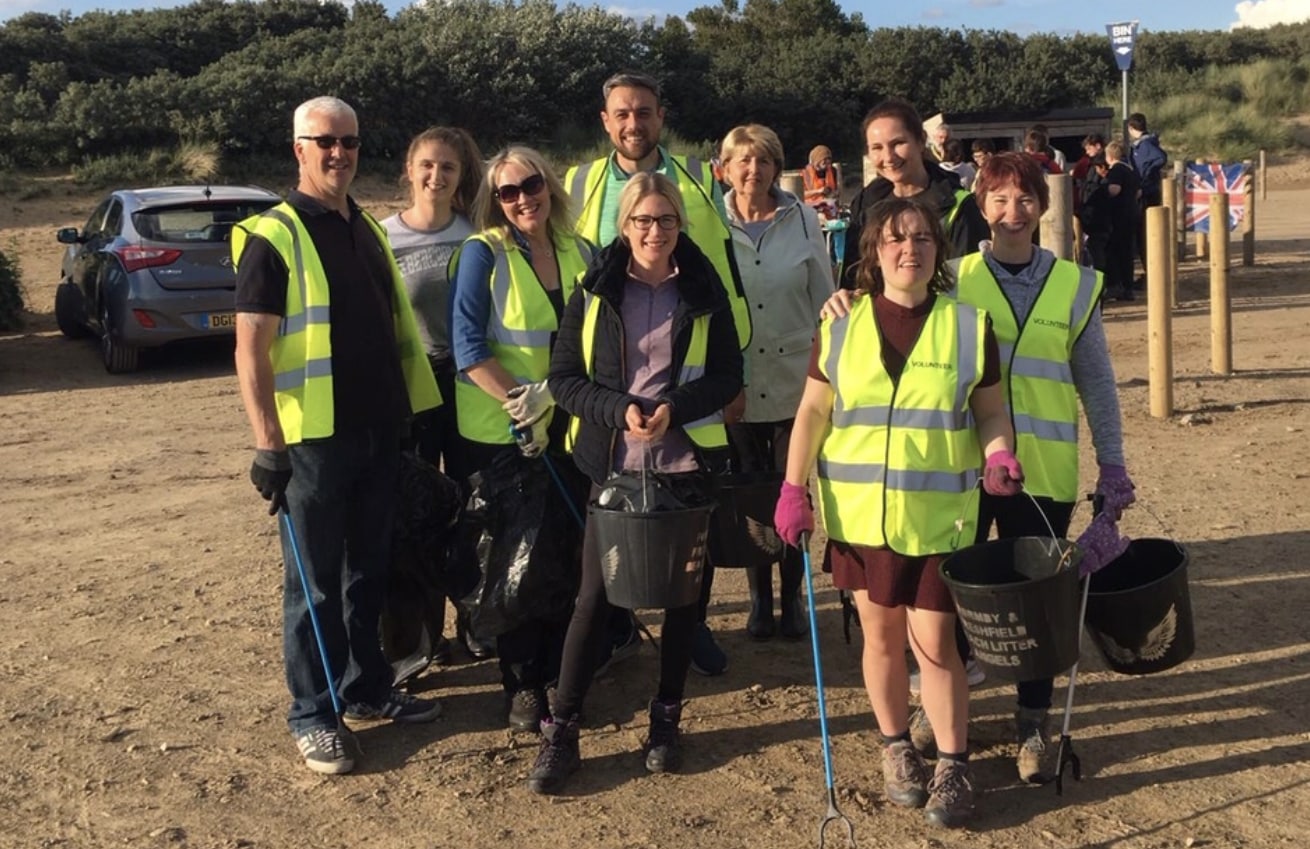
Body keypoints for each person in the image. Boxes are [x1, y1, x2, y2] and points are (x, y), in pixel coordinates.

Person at [819, 152, 1135, 786]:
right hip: (960, 471)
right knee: (948, 595)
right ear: (981, 208)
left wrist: (1114, 460)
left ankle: (1033, 720)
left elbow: (1096, 381)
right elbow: (898, 302)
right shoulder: (956, 274)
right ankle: (943, 705)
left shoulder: (1076, 285)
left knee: (1036, 604)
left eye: (1024, 200)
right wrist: (848, 296)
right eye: (998, 199)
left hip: (1040, 471)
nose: (1012, 211)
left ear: (1043, 208)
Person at [776, 196, 1018, 829]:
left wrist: (999, 455)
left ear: (938, 250)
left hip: (941, 519)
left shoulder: (970, 326)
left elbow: (990, 410)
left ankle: (953, 761)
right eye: (894, 239)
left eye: (922, 238)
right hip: (861, 521)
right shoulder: (839, 325)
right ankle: (895, 748)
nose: (909, 248)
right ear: (873, 252)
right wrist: (792, 488)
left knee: (936, 643)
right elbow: (811, 413)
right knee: (881, 638)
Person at [233, 96, 443, 776]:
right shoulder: (276, 234)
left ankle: (366, 688)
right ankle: (312, 713)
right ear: (299, 148)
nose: (339, 153)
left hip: (380, 429)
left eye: (349, 141)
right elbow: (251, 350)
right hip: (314, 444)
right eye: (325, 141)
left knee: (367, 574)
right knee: (315, 585)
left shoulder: (365, 228)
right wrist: (268, 441)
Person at [529, 173, 744, 794]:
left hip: (684, 469)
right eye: (642, 222)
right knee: (593, 602)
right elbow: (565, 379)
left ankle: (666, 720)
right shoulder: (594, 291)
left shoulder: (704, 288)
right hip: (615, 468)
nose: (655, 232)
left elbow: (728, 374)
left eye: (666, 221)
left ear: (681, 224)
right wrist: (618, 409)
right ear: (623, 227)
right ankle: (562, 729)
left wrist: (674, 406)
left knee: (684, 603)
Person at [565, 69, 748, 677]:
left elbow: (721, 267)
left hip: (688, 373)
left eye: (644, 111)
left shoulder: (695, 175)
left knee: (690, 516)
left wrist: (733, 367)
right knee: (614, 531)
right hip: (608, 379)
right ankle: (619, 629)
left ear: (660, 116)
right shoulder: (581, 182)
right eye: (621, 113)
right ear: (605, 120)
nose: (633, 123)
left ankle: (689, 626)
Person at [449, 145, 593, 731]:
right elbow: (468, 348)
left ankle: (565, 670)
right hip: (504, 433)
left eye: (530, 184)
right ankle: (522, 682)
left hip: (570, 425)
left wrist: (559, 398)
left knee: (565, 555)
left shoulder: (580, 250)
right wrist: (522, 404)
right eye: (507, 192)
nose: (521, 199)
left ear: (549, 184)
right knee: (514, 561)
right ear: (494, 201)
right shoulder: (482, 254)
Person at [380, 125, 495, 662]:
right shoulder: (382, 239)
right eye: (427, 165)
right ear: (409, 169)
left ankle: (478, 619)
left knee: (476, 505)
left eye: (448, 167)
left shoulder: (480, 233)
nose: (436, 176)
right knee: (417, 514)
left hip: (472, 385)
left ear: (461, 176)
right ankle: (421, 638)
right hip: (413, 391)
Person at [720, 124, 834, 640]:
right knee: (750, 494)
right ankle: (758, 601)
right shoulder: (712, 223)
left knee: (793, 491)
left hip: (795, 383)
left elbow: (825, 301)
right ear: (725, 167)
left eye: (763, 160)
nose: (753, 170)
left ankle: (794, 599)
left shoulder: (804, 218)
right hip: (738, 383)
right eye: (743, 161)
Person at [840, 98, 989, 290]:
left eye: (898, 143)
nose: (888, 157)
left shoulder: (959, 206)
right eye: (877, 147)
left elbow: (969, 284)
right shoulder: (865, 205)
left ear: (920, 141)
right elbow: (853, 281)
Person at [1127, 113, 1167, 279]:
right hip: (1145, 191)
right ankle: (1149, 270)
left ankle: (1151, 271)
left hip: (1147, 194)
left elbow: (1160, 158)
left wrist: (1145, 181)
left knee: (1146, 233)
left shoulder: (1145, 145)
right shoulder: (1141, 145)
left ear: (1131, 128)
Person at [1103, 141, 1140, 302]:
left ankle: (1116, 285)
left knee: (1114, 251)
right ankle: (1128, 287)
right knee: (1127, 252)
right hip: (1132, 213)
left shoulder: (1116, 170)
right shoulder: (1131, 170)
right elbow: (1138, 192)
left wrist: (1102, 188)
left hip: (1119, 216)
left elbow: (1114, 190)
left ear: (1109, 156)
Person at [802, 144, 841, 218]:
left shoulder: (833, 171)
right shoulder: (805, 174)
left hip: (828, 204)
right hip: (811, 207)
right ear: (817, 162)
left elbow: (837, 191)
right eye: (824, 163)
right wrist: (818, 191)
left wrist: (834, 193)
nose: (827, 165)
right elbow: (801, 194)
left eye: (829, 162)